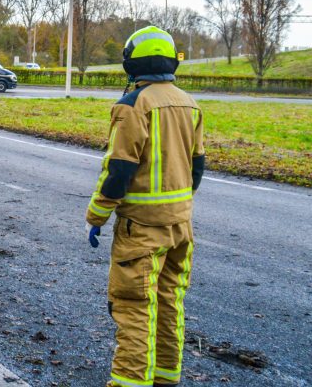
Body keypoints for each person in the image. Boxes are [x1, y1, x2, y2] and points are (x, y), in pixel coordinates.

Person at [86, 26, 205, 387]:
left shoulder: (133, 106)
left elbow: (119, 167)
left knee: (135, 308)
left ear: (130, 63)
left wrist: (97, 215)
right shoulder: (191, 103)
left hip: (141, 229)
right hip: (180, 225)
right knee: (169, 304)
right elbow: (197, 165)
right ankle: (166, 378)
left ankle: (129, 382)